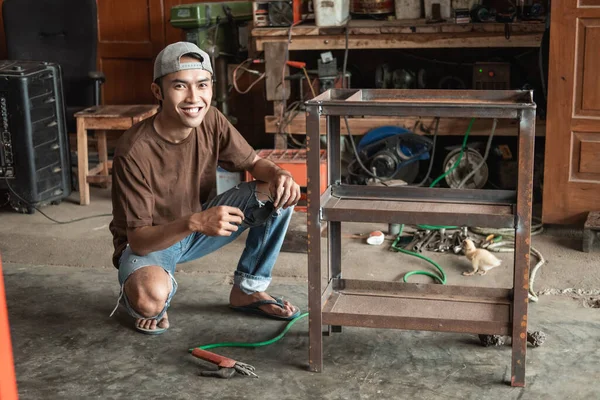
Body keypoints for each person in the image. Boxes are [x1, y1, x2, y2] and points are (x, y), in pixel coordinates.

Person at [108, 42, 302, 334]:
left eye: (202, 85)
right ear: (158, 92)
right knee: (150, 301)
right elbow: (139, 241)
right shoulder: (134, 150)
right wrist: (196, 221)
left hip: (198, 229)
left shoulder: (210, 119)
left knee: (278, 192)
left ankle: (248, 289)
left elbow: (252, 162)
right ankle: (144, 289)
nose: (193, 97)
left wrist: (279, 172)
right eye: (180, 86)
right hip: (153, 242)